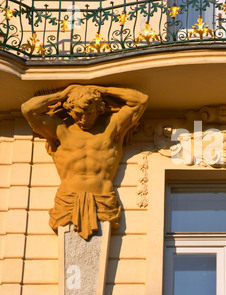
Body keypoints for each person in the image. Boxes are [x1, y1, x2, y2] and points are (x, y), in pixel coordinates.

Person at [21, 85, 148, 239]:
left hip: (104, 198)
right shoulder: (61, 130)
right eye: (78, 114)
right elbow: (28, 109)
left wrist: (104, 91)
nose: (84, 119)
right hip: (67, 200)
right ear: (69, 109)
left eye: (89, 113)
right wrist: (62, 94)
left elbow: (141, 100)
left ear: (99, 108)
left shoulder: (111, 129)